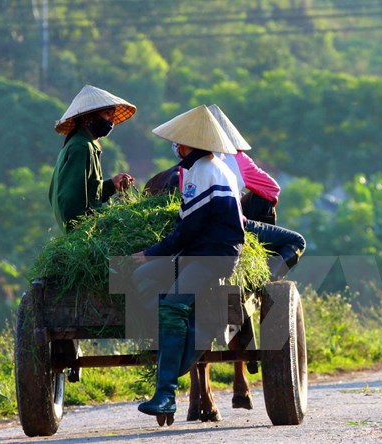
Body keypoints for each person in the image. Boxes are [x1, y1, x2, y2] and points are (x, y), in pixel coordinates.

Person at [131, 105, 244, 421]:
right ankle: (184, 337)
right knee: (142, 278)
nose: (175, 147)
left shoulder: (208, 171)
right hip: (196, 254)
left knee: (172, 306)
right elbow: (188, 226)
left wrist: (152, 252)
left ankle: (165, 391)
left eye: (179, 142)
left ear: (192, 144)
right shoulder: (200, 169)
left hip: (214, 256)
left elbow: (188, 229)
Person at [49, 85, 137, 232]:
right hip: (82, 232)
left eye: (112, 115)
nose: (111, 120)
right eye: (107, 114)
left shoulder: (86, 144)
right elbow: (70, 197)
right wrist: (81, 232)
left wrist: (111, 185)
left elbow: (88, 194)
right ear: (88, 117)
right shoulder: (81, 147)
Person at [208, 104, 281, 225]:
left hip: (198, 217)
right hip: (227, 219)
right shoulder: (236, 158)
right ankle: (260, 239)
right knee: (296, 240)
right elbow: (271, 188)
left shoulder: (188, 160)